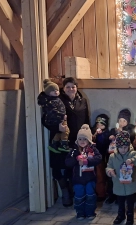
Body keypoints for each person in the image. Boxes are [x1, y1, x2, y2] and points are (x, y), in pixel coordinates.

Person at [43, 77, 90, 207]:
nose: (70, 89)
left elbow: (86, 119)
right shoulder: (56, 100)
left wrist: (88, 136)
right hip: (59, 139)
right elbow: (45, 119)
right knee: (59, 167)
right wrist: (57, 127)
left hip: (77, 140)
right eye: (68, 87)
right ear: (63, 88)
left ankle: (74, 192)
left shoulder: (83, 101)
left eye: (73, 86)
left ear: (76, 87)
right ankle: (65, 192)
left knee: (73, 166)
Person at [65, 124, 102, 220]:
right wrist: (76, 159)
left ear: (89, 140)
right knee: (79, 196)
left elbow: (98, 159)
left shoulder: (93, 150)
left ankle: (90, 212)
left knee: (91, 195)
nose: (82, 141)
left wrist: (87, 161)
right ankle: (80, 213)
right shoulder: (74, 151)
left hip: (90, 178)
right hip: (78, 179)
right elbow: (68, 162)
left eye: (84, 139)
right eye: (80, 139)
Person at [106, 131, 136, 225]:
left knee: (130, 203)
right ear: (117, 146)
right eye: (121, 147)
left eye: (125, 147)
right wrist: (110, 171)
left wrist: (132, 160)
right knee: (120, 202)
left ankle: (130, 217)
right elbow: (108, 166)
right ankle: (120, 215)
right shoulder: (112, 156)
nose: (123, 149)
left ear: (128, 146)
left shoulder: (132, 153)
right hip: (118, 183)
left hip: (130, 184)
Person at [38, 79, 70, 152]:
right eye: (53, 90)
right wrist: (62, 117)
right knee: (66, 130)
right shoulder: (50, 101)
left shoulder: (55, 99)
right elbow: (53, 112)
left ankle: (54, 144)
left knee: (58, 132)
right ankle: (64, 144)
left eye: (57, 90)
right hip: (57, 120)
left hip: (59, 119)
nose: (56, 91)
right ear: (48, 93)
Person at [91, 114, 110, 202]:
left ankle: (101, 194)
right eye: (98, 124)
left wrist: (100, 135)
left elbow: (104, 144)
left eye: (102, 125)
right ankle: (92, 192)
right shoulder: (91, 131)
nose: (99, 126)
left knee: (100, 176)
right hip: (90, 158)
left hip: (100, 158)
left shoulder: (106, 133)